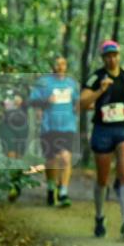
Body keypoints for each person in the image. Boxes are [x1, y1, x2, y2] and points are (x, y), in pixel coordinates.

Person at [81, 40, 124, 238]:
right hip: (103, 130)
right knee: (102, 179)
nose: (112, 59)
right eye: (108, 56)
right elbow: (82, 103)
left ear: (119, 56)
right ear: (103, 58)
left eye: (114, 55)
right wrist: (100, 90)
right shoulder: (96, 77)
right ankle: (100, 216)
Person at [29, 57, 80, 207]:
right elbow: (32, 101)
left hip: (68, 126)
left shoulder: (71, 83)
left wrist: (78, 108)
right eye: (57, 64)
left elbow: (78, 101)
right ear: (53, 66)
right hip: (49, 126)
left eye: (63, 64)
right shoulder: (44, 82)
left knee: (65, 157)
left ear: (66, 66)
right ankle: (51, 187)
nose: (60, 66)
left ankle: (63, 191)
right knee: (51, 160)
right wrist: (46, 101)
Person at [0, 80, 30, 202]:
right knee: (11, 155)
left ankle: (17, 184)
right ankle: (12, 186)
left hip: (21, 126)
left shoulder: (23, 86)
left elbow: (32, 102)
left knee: (19, 158)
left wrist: (23, 101)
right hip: (6, 125)